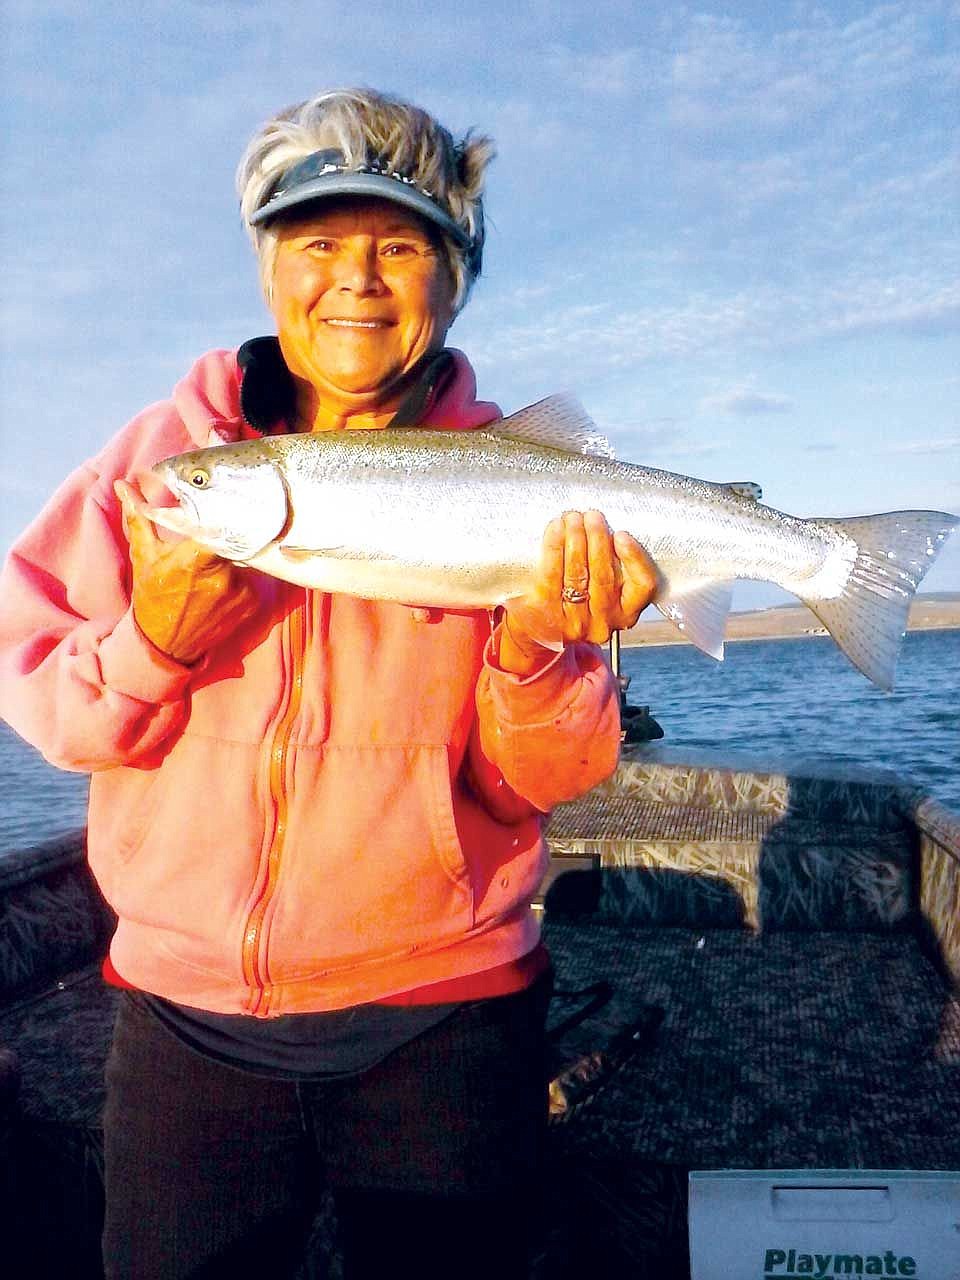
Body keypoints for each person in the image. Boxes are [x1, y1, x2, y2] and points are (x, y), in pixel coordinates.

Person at [0, 89, 656, 1279]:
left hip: (450, 1011)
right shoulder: (155, 463)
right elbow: (50, 706)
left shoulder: (524, 482)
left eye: (399, 246)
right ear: (268, 270)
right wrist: (152, 638)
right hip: (182, 1021)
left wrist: (531, 648)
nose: (356, 279)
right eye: (318, 244)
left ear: (453, 281)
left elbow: (547, 783)